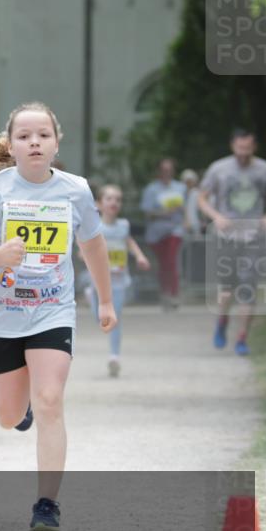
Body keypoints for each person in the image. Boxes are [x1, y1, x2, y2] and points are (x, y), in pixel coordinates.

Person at [0, 102, 116, 531]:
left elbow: (94, 247)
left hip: (52, 310)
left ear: (56, 141)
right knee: (8, 416)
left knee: (50, 400)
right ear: (11, 145)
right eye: (24, 136)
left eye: (43, 134)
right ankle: (18, 411)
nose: (34, 142)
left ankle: (47, 504)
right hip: (3, 314)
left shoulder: (75, 190)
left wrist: (104, 301)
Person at [198, 129, 266, 357]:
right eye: (240, 148)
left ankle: (242, 338)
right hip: (227, 238)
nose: (243, 153)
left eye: (248, 149)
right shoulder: (219, 168)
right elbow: (201, 197)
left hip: (253, 237)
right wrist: (216, 217)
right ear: (233, 146)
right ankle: (222, 321)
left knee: (248, 290)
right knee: (227, 291)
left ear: (254, 147)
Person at [90, 184, 150, 377]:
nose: (114, 202)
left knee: (115, 319)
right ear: (99, 203)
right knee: (100, 318)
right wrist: (87, 256)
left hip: (119, 281)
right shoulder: (95, 225)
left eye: (117, 199)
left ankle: (114, 356)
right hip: (98, 282)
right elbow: (84, 246)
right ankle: (89, 294)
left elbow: (129, 241)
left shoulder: (123, 225)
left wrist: (140, 256)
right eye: (109, 198)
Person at [140, 157, 186, 311]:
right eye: (164, 170)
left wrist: (186, 219)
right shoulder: (151, 189)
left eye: (170, 170)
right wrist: (163, 213)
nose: (167, 173)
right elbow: (147, 213)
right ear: (159, 171)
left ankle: (174, 294)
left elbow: (186, 208)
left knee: (172, 261)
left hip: (175, 230)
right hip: (157, 233)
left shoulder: (180, 188)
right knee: (164, 264)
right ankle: (164, 293)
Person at [181, 168, 204, 237]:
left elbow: (201, 210)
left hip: (196, 225)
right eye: (187, 181)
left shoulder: (197, 193)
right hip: (182, 226)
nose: (188, 183)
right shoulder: (181, 193)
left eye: (190, 181)